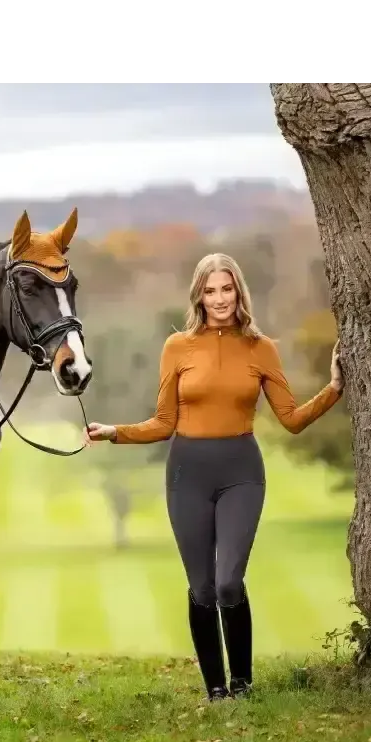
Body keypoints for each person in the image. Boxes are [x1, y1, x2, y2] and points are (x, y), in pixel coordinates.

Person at [83, 252, 344, 701]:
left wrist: (335, 389)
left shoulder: (261, 348)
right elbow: (163, 422)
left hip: (241, 471)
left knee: (228, 583)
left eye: (227, 289)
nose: (220, 299)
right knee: (201, 587)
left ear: (239, 292)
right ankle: (216, 690)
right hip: (187, 472)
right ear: (199, 296)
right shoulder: (177, 347)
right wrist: (115, 433)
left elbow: (292, 419)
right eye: (210, 290)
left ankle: (242, 685)